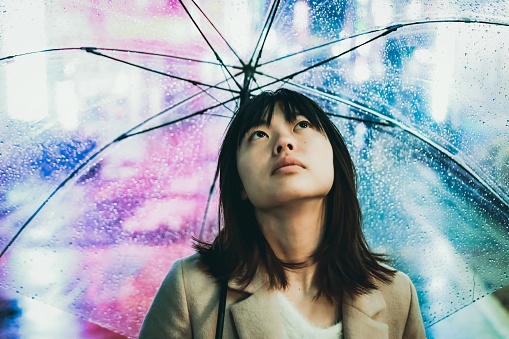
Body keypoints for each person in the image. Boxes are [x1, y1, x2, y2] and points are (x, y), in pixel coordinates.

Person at [139, 89, 425, 338]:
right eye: (259, 134)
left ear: (335, 160)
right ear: (240, 184)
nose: (284, 142)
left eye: (301, 124)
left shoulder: (397, 294)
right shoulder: (191, 291)